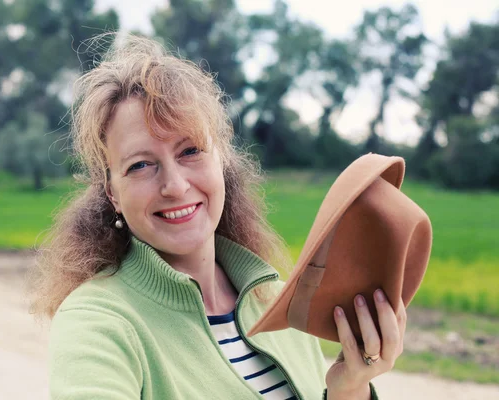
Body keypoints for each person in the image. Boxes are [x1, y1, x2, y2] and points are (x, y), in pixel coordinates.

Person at [29, 33, 406, 400]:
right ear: (112, 193)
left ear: (222, 159)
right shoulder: (97, 322)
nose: (174, 185)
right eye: (141, 165)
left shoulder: (272, 298)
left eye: (190, 150)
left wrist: (348, 390)